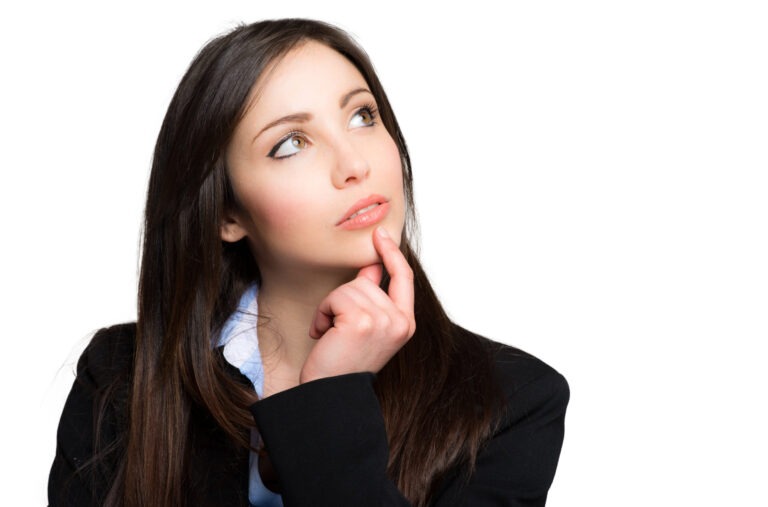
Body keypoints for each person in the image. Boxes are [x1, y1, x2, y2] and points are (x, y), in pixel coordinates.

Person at [48, 18, 569, 507]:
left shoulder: (512, 402)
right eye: (291, 144)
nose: (355, 164)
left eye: (363, 116)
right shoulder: (120, 378)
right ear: (227, 213)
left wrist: (328, 401)